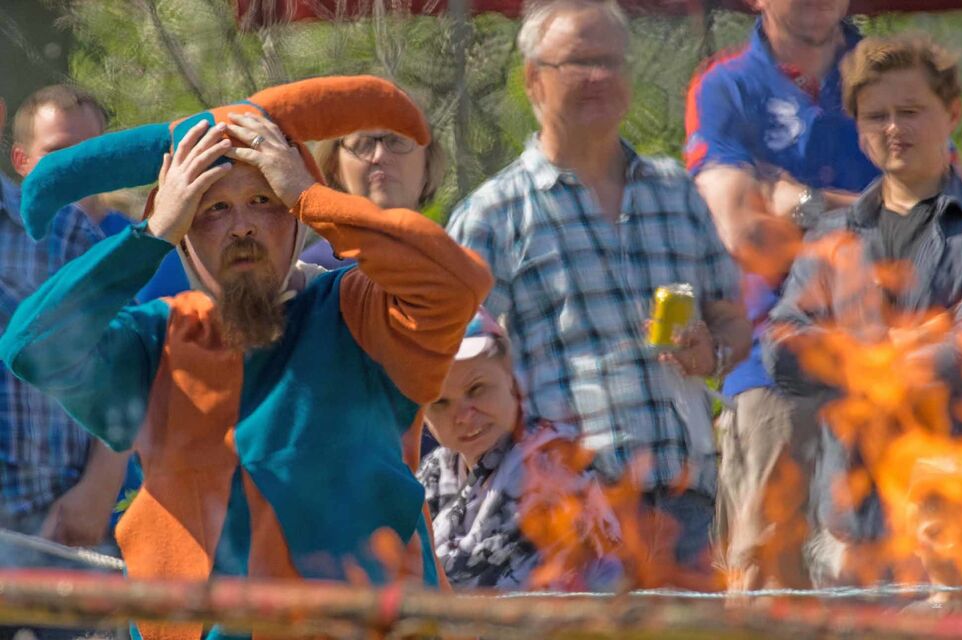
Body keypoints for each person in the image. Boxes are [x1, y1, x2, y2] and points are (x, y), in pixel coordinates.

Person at [0, 76, 492, 640]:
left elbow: (456, 285)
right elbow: (31, 347)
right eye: (211, 209)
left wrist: (308, 192)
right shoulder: (156, 341)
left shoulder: (362, 314)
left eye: (264, 200)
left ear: (296, 216)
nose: (242, 226)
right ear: (184, 231)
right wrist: (151, 234)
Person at [447, 0, 751, 572]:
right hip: (569, 513)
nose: (599, 77)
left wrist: (711, 351)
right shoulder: (492, 213)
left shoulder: (674, 189)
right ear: (533, 80)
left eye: (612, 62)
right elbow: (451, 365)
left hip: (688, 504)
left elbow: (732, 319)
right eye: (580, 62)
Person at [764, 34, 962, 586]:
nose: (893, 128)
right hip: (851, 530)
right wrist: (891, 351)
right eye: (876, 116)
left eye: (910, 111)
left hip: (961, 531)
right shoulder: (830, 237)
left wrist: (840, 356)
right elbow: (781, 350)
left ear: (952, 113)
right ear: (859, 130)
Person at [684, 0, 880, 589]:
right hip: (771, 375)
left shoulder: (891, 72)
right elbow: (743, 234)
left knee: (898, 592)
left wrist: (803, 205)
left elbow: (938, 224)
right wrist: (875, 216)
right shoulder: (726, 86)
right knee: (770, 591)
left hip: (888, 370)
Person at [0, 89, 128, 551]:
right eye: (59, 152)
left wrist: (98, 491)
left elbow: (124, 368)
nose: (76, 166)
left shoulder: (65, 233)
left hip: (52, 523)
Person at [418, 307, 621, 589]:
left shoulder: (554, 465)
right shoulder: (433, 474)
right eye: (440, 402)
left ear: (512, 380)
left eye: (476, 389)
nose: (463, 416)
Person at [10, 84, 189, 302]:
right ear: (21, 160)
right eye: (58, 152)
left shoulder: (157, 246)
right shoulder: (9, 249)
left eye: (90, 149)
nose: (75, 162)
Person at [301, 123, 446, 269]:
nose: (380, 156)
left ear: (427, 159)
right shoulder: (309, 272)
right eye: (363, 144)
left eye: (396, 141)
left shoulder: (452, 258)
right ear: (334, 166)